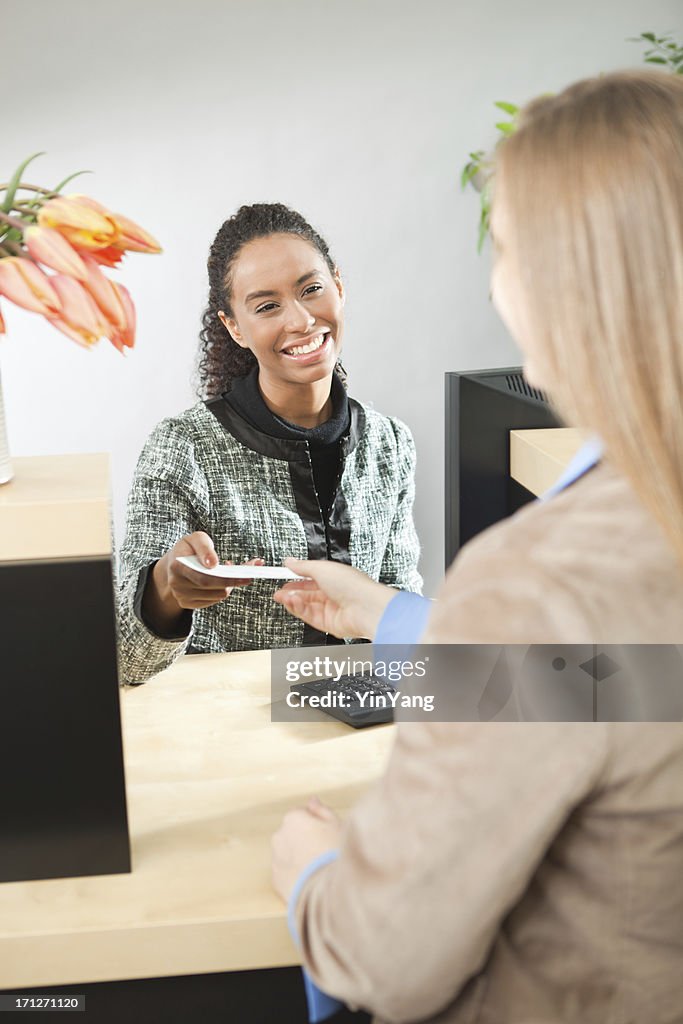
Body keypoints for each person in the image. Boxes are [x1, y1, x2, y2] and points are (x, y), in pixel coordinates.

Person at [270, 71, 683, 1023]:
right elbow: (624, 684)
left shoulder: (537, 576)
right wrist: (398, 618)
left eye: (502, 249)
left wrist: (313, 876)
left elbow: (384, 958)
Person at [117, 204, 421, 684]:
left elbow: (402, 617)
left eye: (312, 289)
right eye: (267, 306)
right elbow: (125, 658)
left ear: (338, 287)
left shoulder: (390, 443)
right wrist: (164, 591)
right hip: (234, 733)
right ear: (234, 326)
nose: (300, 320)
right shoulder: (184, 447)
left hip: (364, 726)